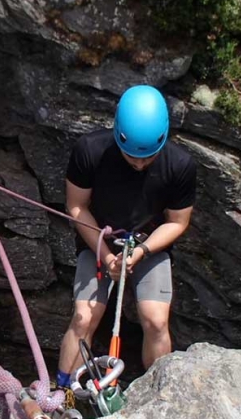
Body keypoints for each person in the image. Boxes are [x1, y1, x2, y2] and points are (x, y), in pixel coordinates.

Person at [56, 85, 197, 387]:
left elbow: (177, 222)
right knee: (83, 318)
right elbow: (76, 206)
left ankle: (161, 395)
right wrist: (107, 256)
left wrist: (141, 251)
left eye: (147, 158)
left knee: (156, 320)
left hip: (150, 245)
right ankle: (64, 392)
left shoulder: (180, 165)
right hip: (98, 242)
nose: (139, 164)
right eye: (131, 156)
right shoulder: (90, 151)